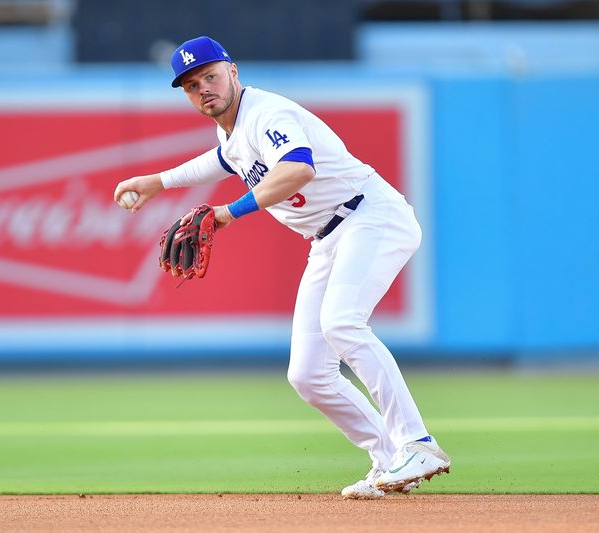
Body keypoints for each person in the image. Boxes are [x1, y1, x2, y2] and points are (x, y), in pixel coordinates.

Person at [113, 36, 450, 499]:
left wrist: (226, 214)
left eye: (210, 76)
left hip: (369, 215)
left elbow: (297, 170)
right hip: (328, 238)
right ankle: (390, 458)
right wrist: (159, 181)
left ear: (233, 70)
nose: (203, 89)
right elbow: (224, 158)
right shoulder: (231, 130)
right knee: (308, 375)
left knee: (342, 324)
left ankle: (418, 444)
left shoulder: (269, 114)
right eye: (191, 85)